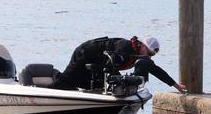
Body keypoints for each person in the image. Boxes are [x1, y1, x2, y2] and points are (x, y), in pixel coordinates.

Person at [52, 36, 187, 93]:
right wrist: (122, 81)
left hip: (100, 62)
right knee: (65, 82)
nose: (148, 56)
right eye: (148, 53)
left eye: (152, 55)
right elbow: (108, 68)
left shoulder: (140, 57)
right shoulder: (124, 48)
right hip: (85, 52)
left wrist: (176, 86)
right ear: (142, 46)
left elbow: (156, 70)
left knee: (92, 84)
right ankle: (50, 86)